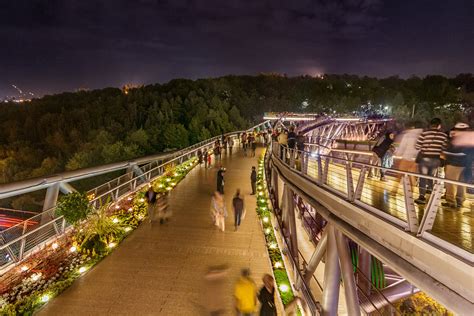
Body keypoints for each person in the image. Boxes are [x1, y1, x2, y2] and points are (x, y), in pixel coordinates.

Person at [415, 118, 448, 204]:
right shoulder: (443, 135)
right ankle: (431, 192)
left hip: (425, 159)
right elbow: (444, 148)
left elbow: (417, 146)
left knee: (423, 177)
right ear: (439, 125)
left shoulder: (424, 134)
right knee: (431, 176)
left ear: (430, 124)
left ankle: (422, 197)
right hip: (436, 160)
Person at [442, 122, 470, 208]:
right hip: (465, 165)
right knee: (461, 184)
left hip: (453, 164)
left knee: (450, 183)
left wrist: (444, 153)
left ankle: (451, 202)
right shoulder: (468, 139)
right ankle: (460, 201)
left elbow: (452, 151)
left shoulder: (457, 139)